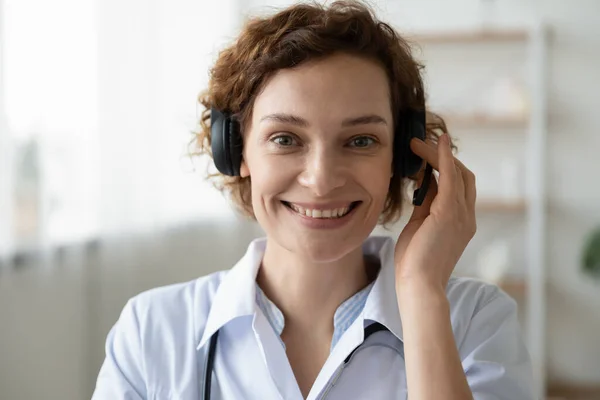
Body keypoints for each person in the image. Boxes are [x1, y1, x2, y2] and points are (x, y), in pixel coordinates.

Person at [92, 1, 534, 399]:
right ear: (236, 151)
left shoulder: (474, 322)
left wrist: (421, 294)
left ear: (402, 157)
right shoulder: (151, 333)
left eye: (360, 140)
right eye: (286, 138)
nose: (321, 180)